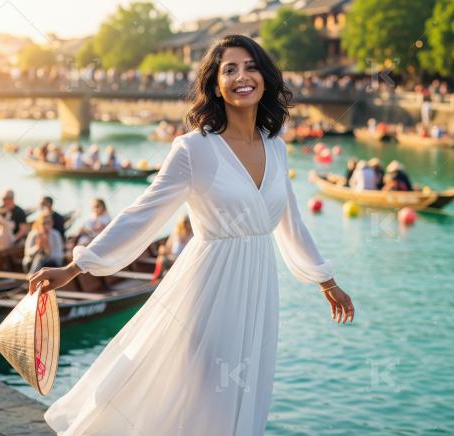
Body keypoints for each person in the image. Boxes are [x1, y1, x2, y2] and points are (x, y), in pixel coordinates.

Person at [30, 34, 353, 435]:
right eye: (229, 70)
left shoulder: (276, 146)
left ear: (266, 77)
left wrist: (326, 279)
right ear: (215, 85)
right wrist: (77, 266)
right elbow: (142, 214)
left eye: (251, 66)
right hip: (207, 287)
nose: (241, 76)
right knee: (202, 395)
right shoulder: (194, 149)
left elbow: (292, 224)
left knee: (244, 394)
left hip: (258, 289)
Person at [152, 214, 193, 280]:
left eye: (186, 223)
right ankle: (156, 278)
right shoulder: (175, 234)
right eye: (184, 223)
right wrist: (163, 250)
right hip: (173, 259)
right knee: (161, 259)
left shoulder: (193, 236)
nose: (185, 225)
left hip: (185, 259)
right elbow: (168, 249)